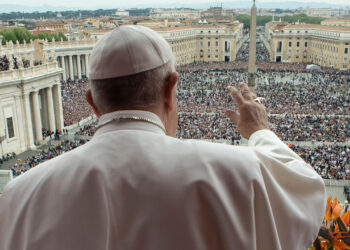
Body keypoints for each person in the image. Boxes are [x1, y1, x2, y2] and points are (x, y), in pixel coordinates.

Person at [0, 25, 325, 250]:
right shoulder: (237, 172)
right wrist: (260, 132)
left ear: (92, 103)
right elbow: (306, 189)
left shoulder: (19, 197)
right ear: (171, 89)